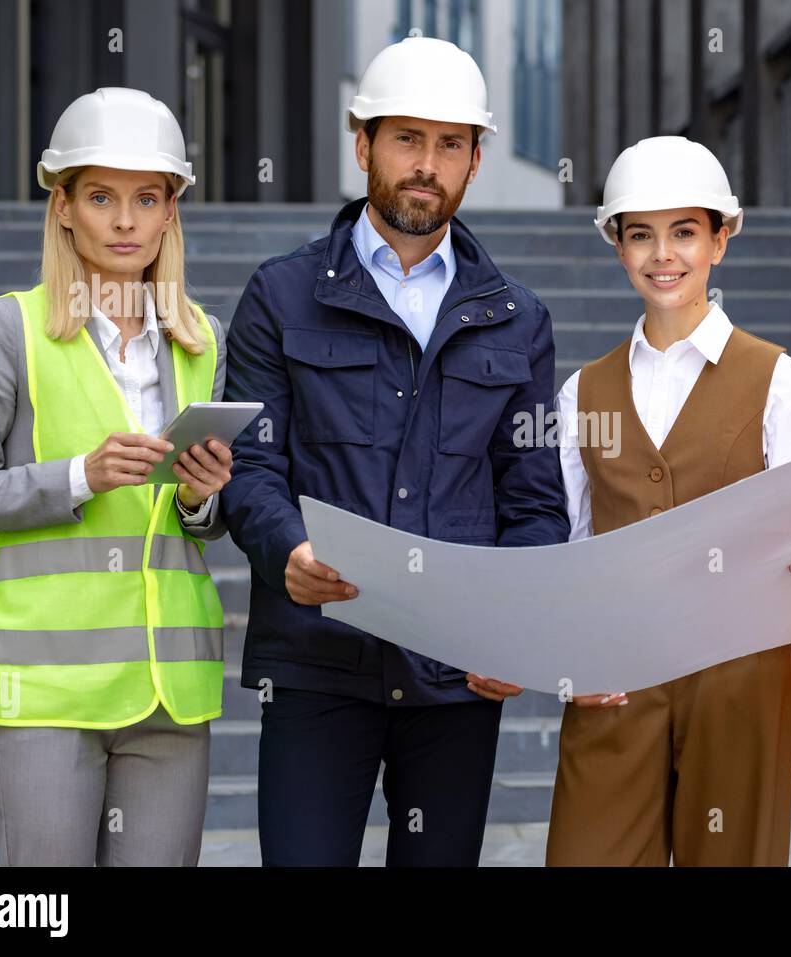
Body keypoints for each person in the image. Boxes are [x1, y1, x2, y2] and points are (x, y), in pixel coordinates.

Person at [219, 36, 568, 867]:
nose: (427, 164)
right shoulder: (283, 293)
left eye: (451, 144)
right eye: (407, 139)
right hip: (315, 666)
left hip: (453, 676)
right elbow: (252, 466)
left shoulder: (518, 318)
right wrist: (287, 551)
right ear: (363, 144)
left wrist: (505, 632)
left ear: (477, 160)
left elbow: (535, 501)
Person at [0, 87, 233, 866]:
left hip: (169, 692)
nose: (125, 221)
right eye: (100, 197)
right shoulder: (9, 327)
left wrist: (200, 498)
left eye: (145, 198)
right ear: (62, 207)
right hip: (47, 691)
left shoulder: (202, 340)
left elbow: (203, 521)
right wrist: (77, 477)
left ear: (169, 212)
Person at [540, 136, 791, 866]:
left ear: (721, 239)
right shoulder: (582, 391)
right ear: (616, 246)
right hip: (616, 674)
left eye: (684, 232)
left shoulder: (775, 378)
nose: (662, 255)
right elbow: (574, 544)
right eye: (640, 234)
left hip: (740, 674)